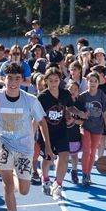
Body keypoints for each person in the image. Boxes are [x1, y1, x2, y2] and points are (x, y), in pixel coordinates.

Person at [0, 62, 50, 211]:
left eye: (17, 78)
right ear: (3, 79)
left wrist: (48, 146)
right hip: (4, 142)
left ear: (22, 80)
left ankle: (16, 178)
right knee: (7, 184)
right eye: (10, 78)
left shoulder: (30, 100)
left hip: (24, 147)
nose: (13, 82)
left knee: (24, 190)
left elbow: (42, 122)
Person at [36, 69, 77, 201]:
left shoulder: (65, 94)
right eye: (51, 81)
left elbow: (70, 107)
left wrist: (78, 113)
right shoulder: (41, 98)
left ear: (60, 81)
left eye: (56, 80)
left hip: (61, 131)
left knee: (65, 157)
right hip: (46, 132)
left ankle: (57, 185)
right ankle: (45, 178)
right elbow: (39, 121)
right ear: (46, 81)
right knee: (48, 159)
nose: (53, 83)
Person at [76, 72, 106, 188]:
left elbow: (105, 114)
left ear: (98, 83)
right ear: (87, 82)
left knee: (92, 152)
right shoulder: (83, 96)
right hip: (85, 127)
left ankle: (88, 173)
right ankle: (84, 174)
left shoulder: (102, 96)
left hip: (98, 128)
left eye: (95, 81)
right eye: (91, 81)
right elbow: (77, 112)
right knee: (86, 150)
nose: (93, 83)